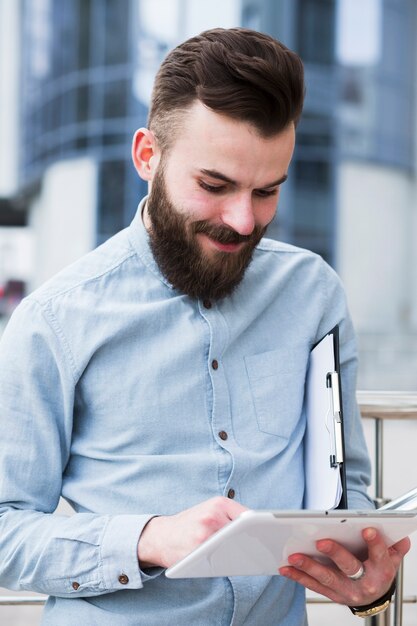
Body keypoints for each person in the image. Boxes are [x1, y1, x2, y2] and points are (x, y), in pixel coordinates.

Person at [0, 27, 409, 626]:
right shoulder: (55, 320)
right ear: (148, 156)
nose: (243, 221)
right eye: (214, 186)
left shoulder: (314, 294)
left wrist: (366, 581)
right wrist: (146, 538)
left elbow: (345, 496)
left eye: (267, 191)